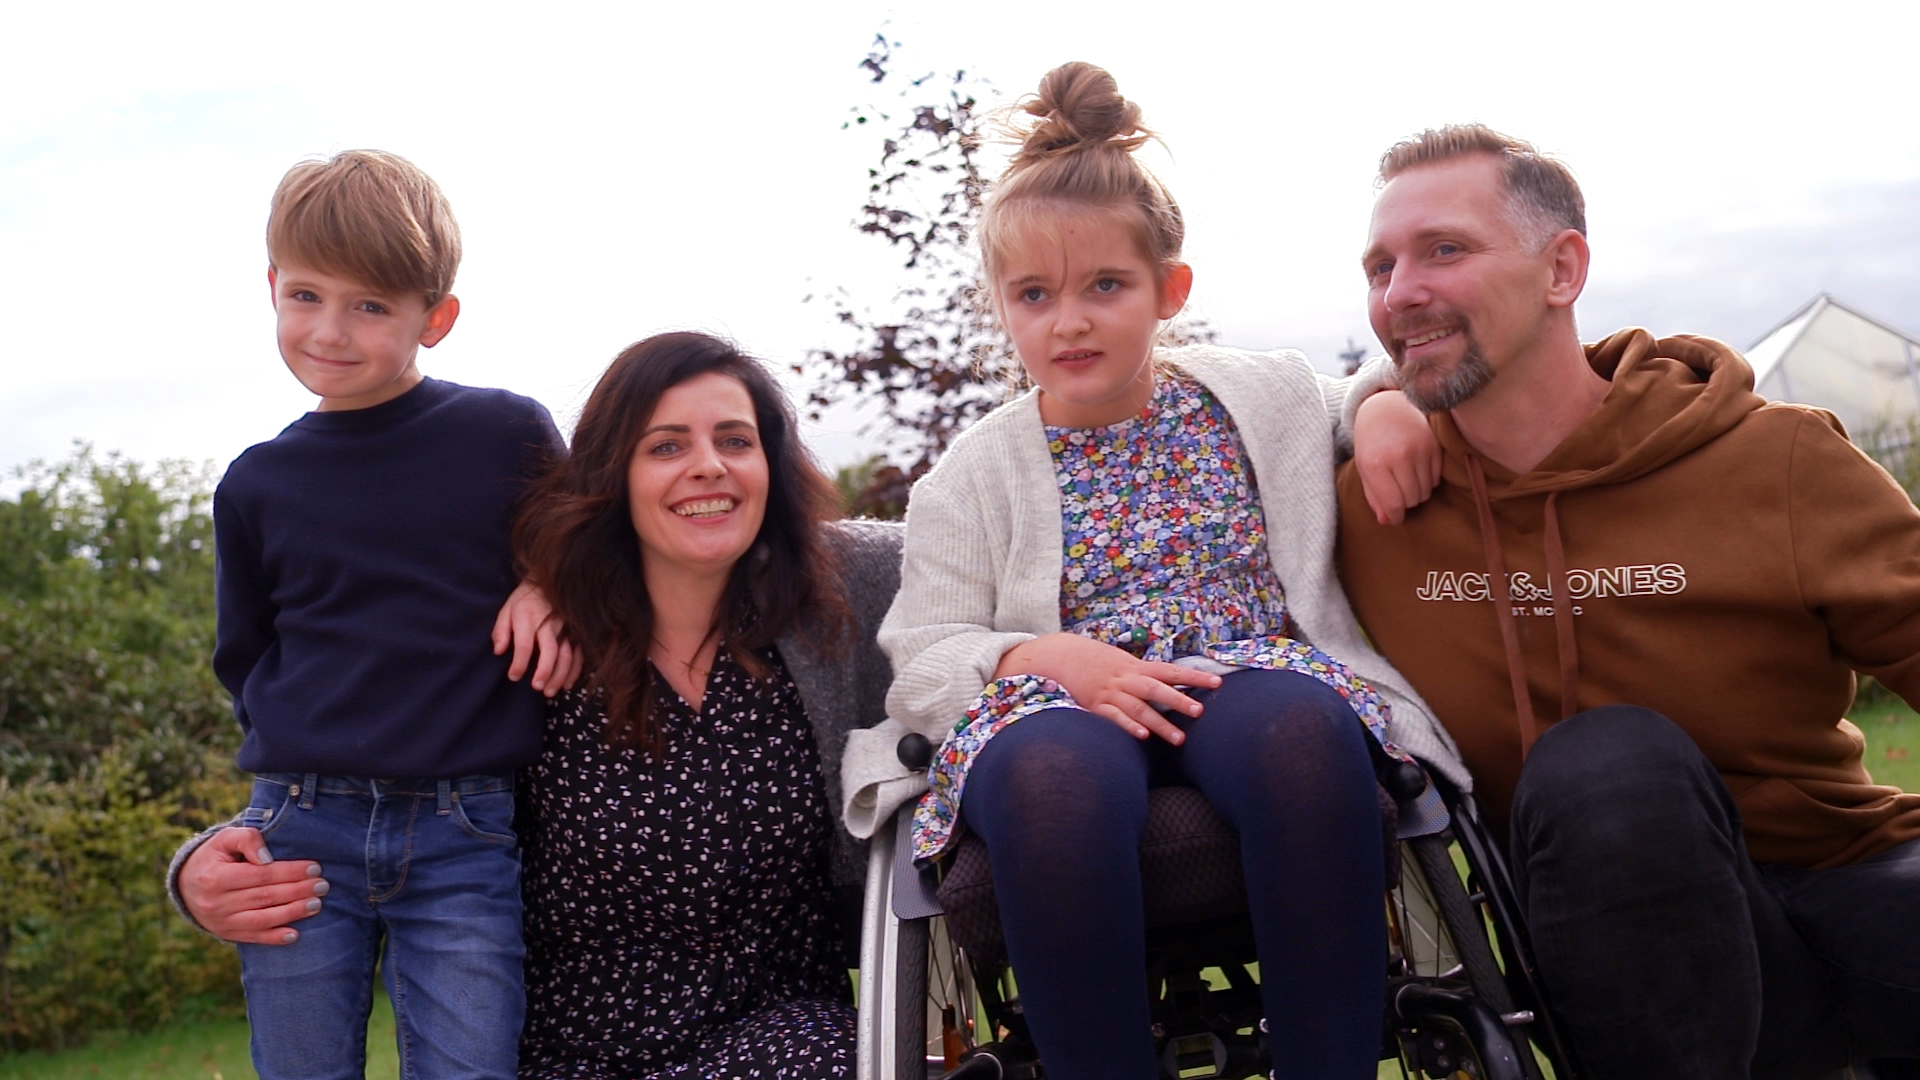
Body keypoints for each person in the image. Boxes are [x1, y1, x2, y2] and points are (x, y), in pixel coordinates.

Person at [838, 62, 1457, 1080]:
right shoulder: (970, 475)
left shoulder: (1258, 396)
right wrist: (1048, 658)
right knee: (1052, 785)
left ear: (1170, 290)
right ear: (1003, 308)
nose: (1069, 321)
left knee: (1302, 741)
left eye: (1106, 286)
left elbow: (1362, 385)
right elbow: (925, 657)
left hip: (1243, 670)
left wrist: (1385, 407)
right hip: (1053, 700)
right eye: (1034, 295)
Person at [1337, 124, 1920, 1078]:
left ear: (1562, 269)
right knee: (1606, 763)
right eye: (1380, 267)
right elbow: (1230, 409)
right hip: (1612, 943)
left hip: (1846, 887)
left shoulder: (1775, 460)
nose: (1399, 293)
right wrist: (1371, 400)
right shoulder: (1373, 510)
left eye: (1444, 249)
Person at [179, 331, 902, 1079]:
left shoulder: (839, 597)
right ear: (613, 474)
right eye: (666, 446)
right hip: (565, 1051)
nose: (708, 465)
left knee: (830, 1059)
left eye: (735, 440)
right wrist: (200, 866)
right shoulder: (533, 644)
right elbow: (369, 766)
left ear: (770, 464)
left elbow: (969, 568)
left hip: (775, 1039)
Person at [197, 148, 578, 1080]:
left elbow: (593, 540)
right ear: (272, 287)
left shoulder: (507, 433)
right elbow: (245, 655)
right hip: (300, 824)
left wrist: (550, 582)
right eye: (306, 295)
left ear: (434, 318)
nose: (329, 330)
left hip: (463, 828)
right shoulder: (255, 483)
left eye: (370, 306)